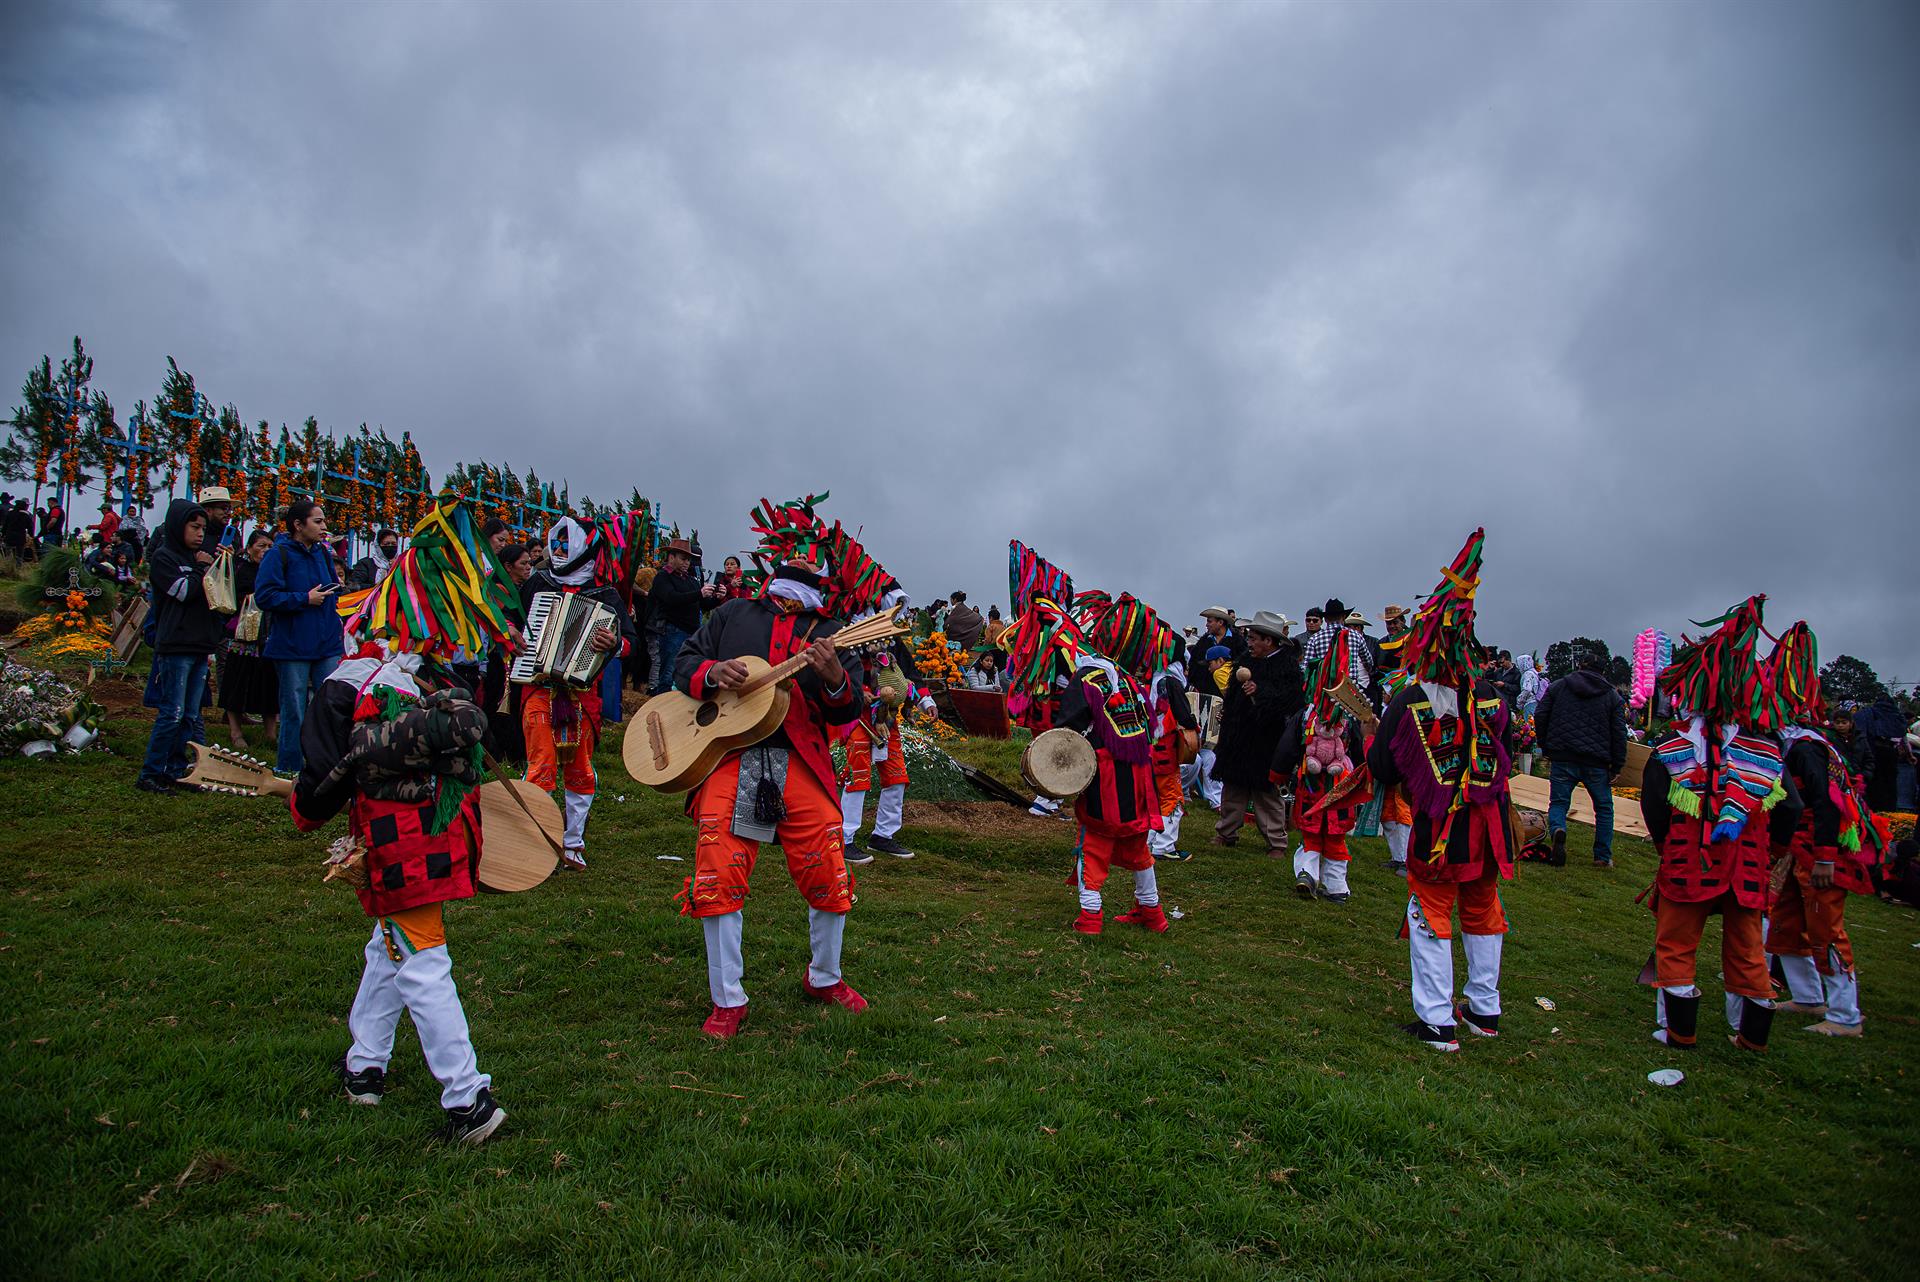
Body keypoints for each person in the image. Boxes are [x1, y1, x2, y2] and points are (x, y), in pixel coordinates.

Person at [671, 552, 868, 1038]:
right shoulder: (732, 613)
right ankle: (727, 999)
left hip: (799, 757)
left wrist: (834, 679)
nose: (799, 556)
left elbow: (848, 710)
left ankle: (825, 977)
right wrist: (713, 674)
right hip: (732, 754)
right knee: (717, 864)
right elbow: (684, 664)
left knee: (828, 860)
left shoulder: (833, 632)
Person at [1366, 530, 1517, 1052]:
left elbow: (1384, 766)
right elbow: (1508, 750)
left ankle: (1437, 1020)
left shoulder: (1409, 701)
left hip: (1440, 828)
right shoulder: (1494, 697)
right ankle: (1485, 1010)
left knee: (1429, 908)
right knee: (1482, 907)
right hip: (1491, 825)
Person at [1639, 594, 1798, 1054]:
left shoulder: (1672, 749)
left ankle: (1678, 1031)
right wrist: (1771, 856)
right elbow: (1790, 809)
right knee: (1749, 949)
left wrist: (1666, 847)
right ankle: (1750, 1038)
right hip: (1746, 866)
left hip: (1690, 860)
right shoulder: (1766, 753)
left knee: (1676, 943)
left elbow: (1654, 808)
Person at [1766, 623, 1873, 1037]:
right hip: (1800, 845)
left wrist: (1826, 855)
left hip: (1820, 847)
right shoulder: (1798, 744)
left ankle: (1846, 1016)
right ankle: (1809, 997)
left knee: (1825, 924)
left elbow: (1828, 803)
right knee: (1786, 920)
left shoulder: (1808, 747)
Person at [517, 517, 634, 870]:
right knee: (541, 764)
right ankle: (535, 841)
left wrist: (613, 644)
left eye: (569, 546)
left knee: (581, 768)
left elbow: (631, 644)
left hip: (583, 693)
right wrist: (513, 632)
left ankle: (572, 844)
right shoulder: (537, 583)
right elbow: (509, 620)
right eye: (558, 545)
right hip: (538, 686)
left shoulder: (606, 594)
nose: (562, 552)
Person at [1274, 629, 1371, 902]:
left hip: (1312, 782)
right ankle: (1337, 887)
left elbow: (1288, 747)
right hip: (1340, 784)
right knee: (1336, 839)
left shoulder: (1307, 715)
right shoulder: (1354, 714)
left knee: (1313, 834)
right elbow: (1364, 747)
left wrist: (1279, 773)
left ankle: (1308, 873)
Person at [136, 498, 224, 793]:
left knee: (189, 714)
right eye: (194, 526)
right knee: (171, 712)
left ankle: (176, 770)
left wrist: (219, 566)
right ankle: (151, 771)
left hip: (199, 644)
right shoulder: (165, 558)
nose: (200, 533)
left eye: (203, 527)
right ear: (178, 526)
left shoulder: (196, 558)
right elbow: (183, 592)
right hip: (176, 646)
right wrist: (201, 570)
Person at [253, 499, 345, 774]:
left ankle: (323, 766)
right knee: (294, 708)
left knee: (327, 706)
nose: (324, 526)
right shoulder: (278, 554)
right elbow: (265, 596)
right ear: (297, 525)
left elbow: (331, 587)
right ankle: (289, 767)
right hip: (292, 645)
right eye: (317, 521)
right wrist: (303, 599)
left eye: (323, 521)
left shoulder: (321, 553)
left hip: (326, 643)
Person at [1211, 611, 1302, 855]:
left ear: (1268, 641)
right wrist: (1228, 715)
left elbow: (1290, 703)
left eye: (1253, 638)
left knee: (1267, 794)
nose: (1248, 642)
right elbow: (1232, 696)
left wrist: (1259, 694)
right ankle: (1226, 832)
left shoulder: (1288, 668)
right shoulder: (1244, 661)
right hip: (1239, 737)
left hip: (1266, 740)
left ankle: (1276, 842)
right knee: (1233, 789)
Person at [1535, 646, 1627, 867]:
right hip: (1597, 761)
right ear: (1603, 671)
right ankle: (1602, 857)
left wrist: (1546, 746)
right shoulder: (1612, 697)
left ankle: (1558, 828)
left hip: (1563, 755)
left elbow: (1540, 714)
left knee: (1558, 802)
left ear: (1580, 666)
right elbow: (1619, 733)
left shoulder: (1559, 687)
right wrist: (1617, 765)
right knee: (1604, 808)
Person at [217, 529, 281, 751]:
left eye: (269, 547)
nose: (265, 551)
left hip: (270, 633)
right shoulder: (241, 569)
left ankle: (270, 732)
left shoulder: (276, 571)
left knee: (269, 682)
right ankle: (235, 731)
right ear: (249, 548)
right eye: (261, 546)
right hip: (244, 633)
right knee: (237, 680)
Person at [1145, 639, 1199, 863]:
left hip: (1148, 746)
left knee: (1154, 797)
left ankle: (1149, 840)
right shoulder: (1172, 682)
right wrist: (1193, 725)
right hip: (1165, 748)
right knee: (1172, 796)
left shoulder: (1152, 679)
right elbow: (1183, 715)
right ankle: (1164, 844)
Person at [648, 538, 703, 695]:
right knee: (668, 672)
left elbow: (702, 604)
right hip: (673, 630)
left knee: (684, 671)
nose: (687, 563)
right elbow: (671, 598)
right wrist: (699, 593)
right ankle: (660, 703)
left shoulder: (691, 580)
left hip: (691, 632)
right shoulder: (663, 577)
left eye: (689, 560)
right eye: (683, 558)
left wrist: (717, 595)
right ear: (671, 557)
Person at [198, 486, 239, 553]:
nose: (229, 513)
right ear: (208, 510)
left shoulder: (231, 537)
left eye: (230, 509)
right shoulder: (197, 537)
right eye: (224, 508)